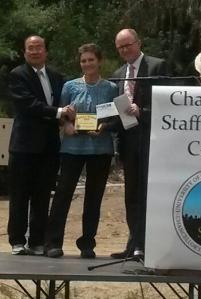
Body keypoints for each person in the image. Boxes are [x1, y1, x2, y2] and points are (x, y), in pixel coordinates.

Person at [45, 43, 118, 258]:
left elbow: (114, 118)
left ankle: (87, 243)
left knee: (93, 198)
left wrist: (105, 126)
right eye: (83, 60)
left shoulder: (111, 88)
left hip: (100, 149)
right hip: (72, 149)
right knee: (62, 195)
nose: (87, 64)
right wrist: (66, 125)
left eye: (91, 60)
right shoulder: (70, 86)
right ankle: (54, 242)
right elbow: (62, 115)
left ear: (99, 61)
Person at [7, 35, 74, 255]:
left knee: (42, 195)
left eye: (39, 48)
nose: (35, 52)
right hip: (24, 146)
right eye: (30, 48)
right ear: (24, 52)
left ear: (45, 51)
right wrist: (58, 113)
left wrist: (69, 115)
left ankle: (37, 241)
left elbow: (66, 101)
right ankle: (17, 240)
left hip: (49, 146)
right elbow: (28, 105)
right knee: (19, 195)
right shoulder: (18, 75)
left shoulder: (56, 76)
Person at [110, 28, 167, 259]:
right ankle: (133, 243)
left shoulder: (157, 66)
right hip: (128, 142)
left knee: (147, 194)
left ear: (139, 42)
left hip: (152, 140)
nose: (125, 50)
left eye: (128, 45)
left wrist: (142, 111)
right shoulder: (117, 73)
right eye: (120, 47)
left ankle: (145, 245)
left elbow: (168, 105)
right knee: (131, 195)